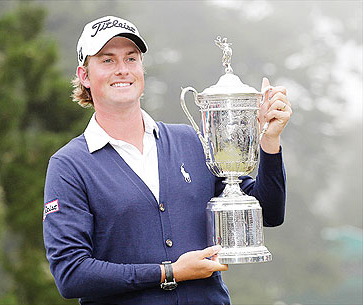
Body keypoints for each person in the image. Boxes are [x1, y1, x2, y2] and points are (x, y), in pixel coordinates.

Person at [43, 15, 292, 305]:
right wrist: (169, 272)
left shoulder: (189, 140)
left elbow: (269, 213)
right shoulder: (69, 165)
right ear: (84, 76)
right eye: (107, 60)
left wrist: (269, 140)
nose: (122, 70)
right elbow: (71, 275)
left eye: (131, 59)